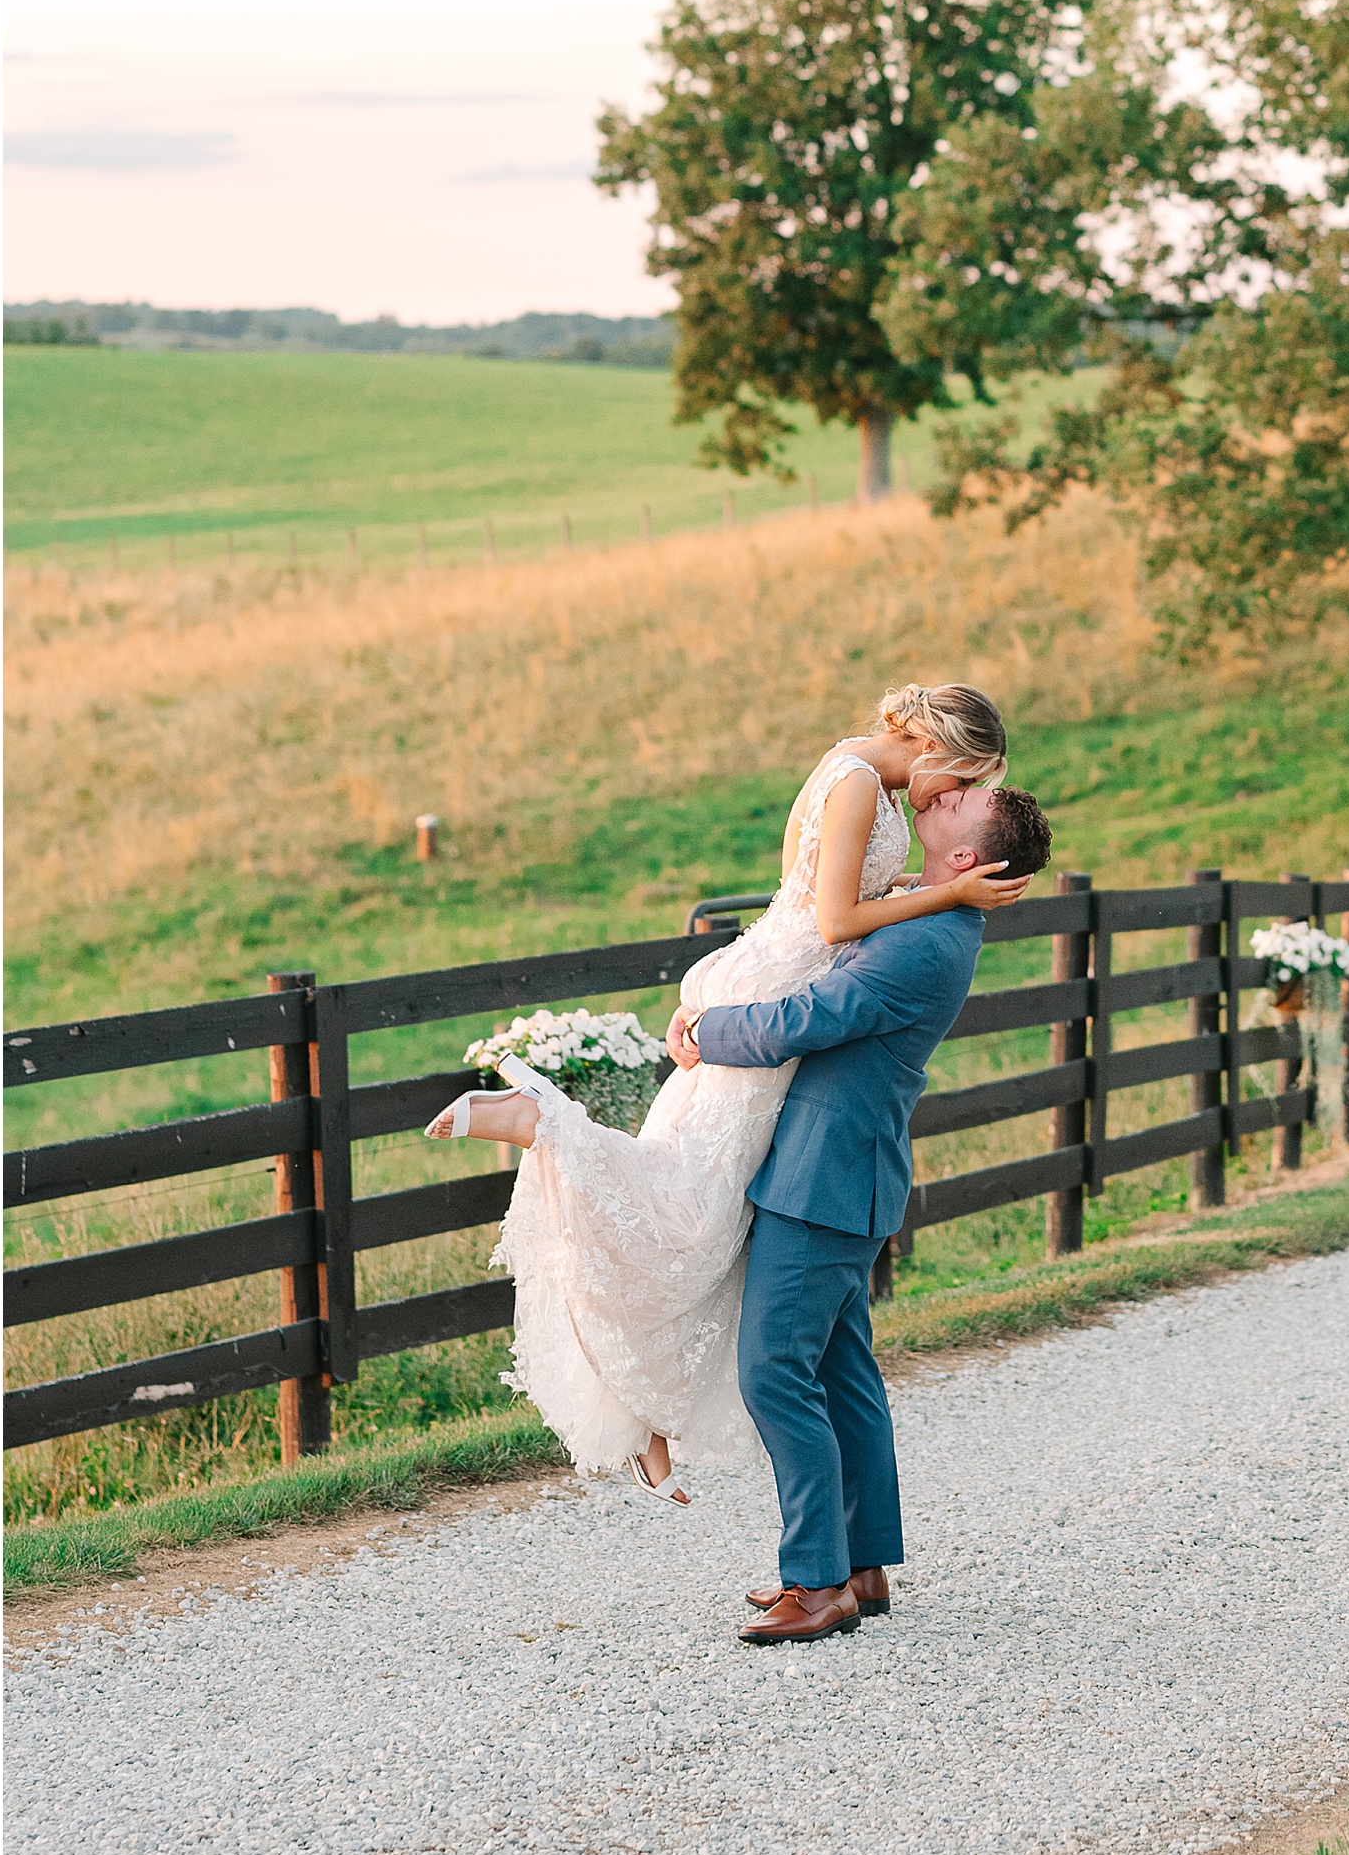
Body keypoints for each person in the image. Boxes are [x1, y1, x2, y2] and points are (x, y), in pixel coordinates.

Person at [424, 685, 1023, 1506]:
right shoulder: (855, 784)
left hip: (777, 978)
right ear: (936, 751)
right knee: (690, 1206)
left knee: (706, 1210)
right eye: (958, 782)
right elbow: (840, 920)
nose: (950, 800)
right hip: (778, 992)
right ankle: (544, 1126)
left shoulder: (859, 777)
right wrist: (950, 893)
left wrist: (927, 890)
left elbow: (834, 899)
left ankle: (648, 1416)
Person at [675, 783, 1053, 1641]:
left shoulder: (926, 942)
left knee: (774, 1369)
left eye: (965, 802)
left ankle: (815, 1584)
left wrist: (709, 1031)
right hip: (845, 1174)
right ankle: (864, 1567)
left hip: (826, 1179)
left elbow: (816, 1017)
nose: (947, 794)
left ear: (966, 858)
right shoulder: (931, 915)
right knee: (843, 1375)